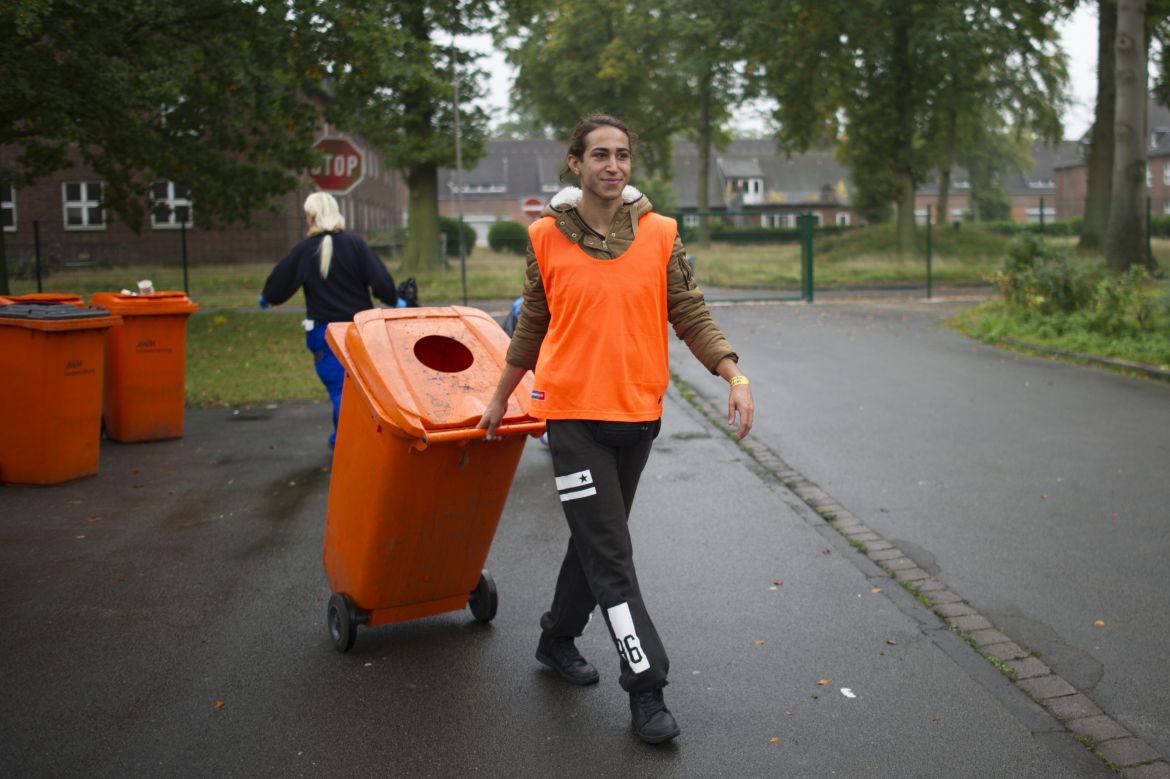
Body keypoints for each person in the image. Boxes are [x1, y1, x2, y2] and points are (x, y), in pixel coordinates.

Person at [476, 114, 754, 745]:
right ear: (575, 163)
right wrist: (500, 397)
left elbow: (689, 310)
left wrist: (734, 376)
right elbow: (532, 324)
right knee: (613, 557)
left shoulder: (661, 234)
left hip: (638, 416)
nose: (613, 165)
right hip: (572, 417)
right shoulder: (546, 237)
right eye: (599, 154)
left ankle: (555, 639)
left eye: (623, 155)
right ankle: (647, 689)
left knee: (595, 541)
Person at [260, 192, 399, 448]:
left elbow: (279, 283)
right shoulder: (355, 245)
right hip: (361, 331)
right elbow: (379, 280)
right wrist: (393, 299)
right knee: (362, 388)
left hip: (326, 334)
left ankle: (346, 442)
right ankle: (357, 439)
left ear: (311, 216)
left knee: (340, 390)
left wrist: (267, 298)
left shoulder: (304, 251)